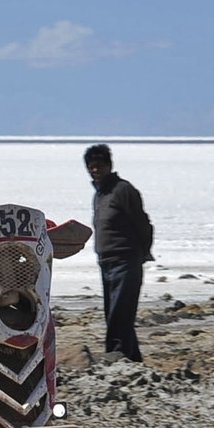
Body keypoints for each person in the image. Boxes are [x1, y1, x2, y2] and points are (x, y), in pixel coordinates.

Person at [84, 143, 153, 363]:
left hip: (126, 260)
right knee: (114, 313)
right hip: (106, 261)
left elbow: (143, 224)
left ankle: (116, 357)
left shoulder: (123, 190)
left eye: (99, 166)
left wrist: (142, 253)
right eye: (92, 166)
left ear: (109, 165)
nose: (96, 170)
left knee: (120, 315)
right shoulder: (100, 194)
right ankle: (132, 359)